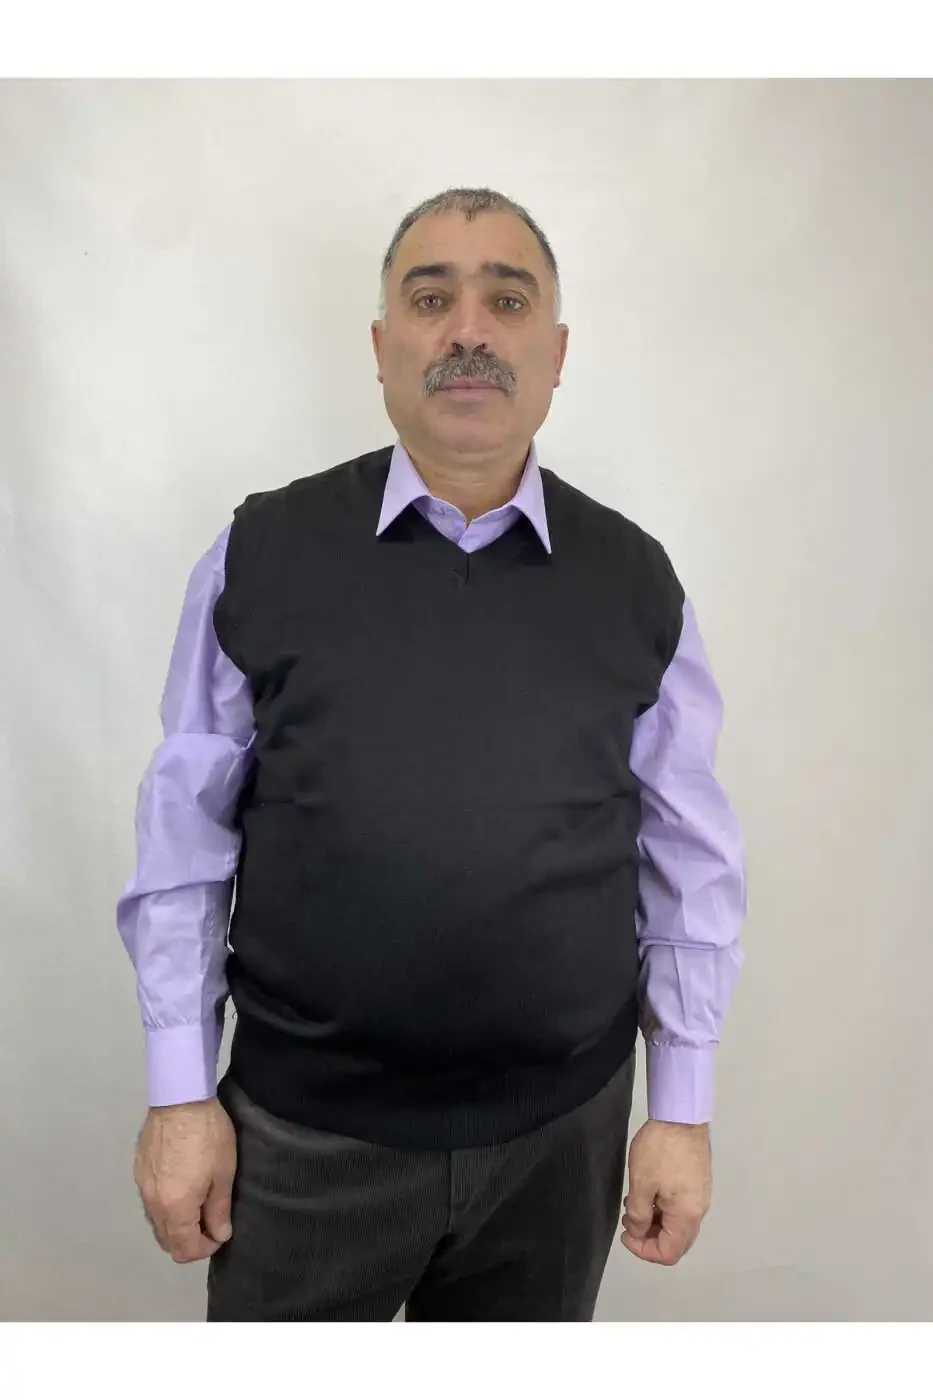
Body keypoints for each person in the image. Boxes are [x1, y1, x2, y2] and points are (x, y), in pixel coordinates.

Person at [117, 186, 746, 1323]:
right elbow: (184, 834)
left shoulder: (636, 580)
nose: (468, 330)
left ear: (556, 354)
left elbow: (688, 853)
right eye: (430, 298)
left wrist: (682, 1105)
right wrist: (178, 1091)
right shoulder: (264, 551)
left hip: (561, 1141)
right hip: (304, 1139)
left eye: (507, 300)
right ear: (380, 347)